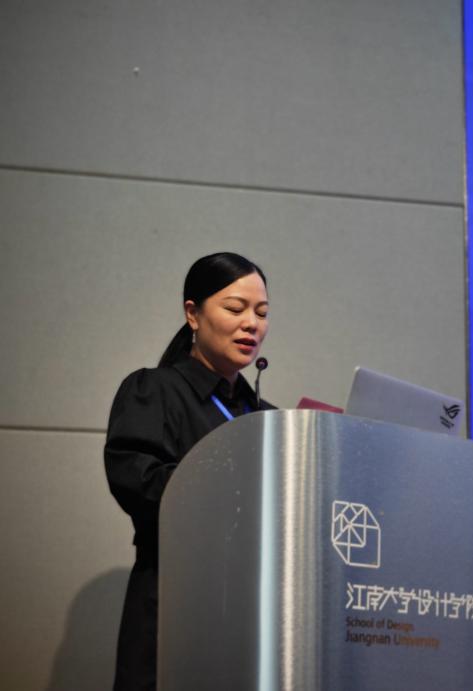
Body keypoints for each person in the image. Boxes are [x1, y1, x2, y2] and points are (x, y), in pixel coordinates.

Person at [104, 252, 273, 690]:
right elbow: (137, 482)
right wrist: (231, 480)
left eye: (261, 313)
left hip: (255, 614)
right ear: (193, 314)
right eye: (235, 309)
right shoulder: (154, 390)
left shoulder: (271, 421)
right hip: (177, 605)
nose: (251, 324)